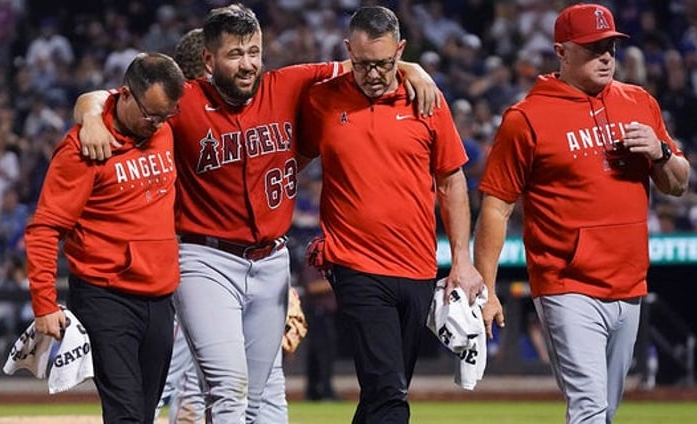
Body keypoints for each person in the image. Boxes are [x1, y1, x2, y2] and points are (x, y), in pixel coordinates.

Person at [74, 4, 440, 423]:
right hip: (205, 258)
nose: (248, 64)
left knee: (253, 397)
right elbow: (106, 98)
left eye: (253, 51)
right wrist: (90, 116)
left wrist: (414, 70)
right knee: (229, 390)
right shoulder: (185, 100)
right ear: (210, 60)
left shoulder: (286, 84)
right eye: (235, 54)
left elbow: (364, 63)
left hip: (271, 262)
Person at [473, 4, 690, 424]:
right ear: (561, 52)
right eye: (592, 48)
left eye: (609, 46)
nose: (606, 56)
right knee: (589, 409)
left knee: (604, 411)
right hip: (566, 283)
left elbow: (678, 184)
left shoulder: (639, 102)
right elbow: (497, 206)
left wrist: (661, 153)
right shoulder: (526, 118)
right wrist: (486, 288)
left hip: (629, 281)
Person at [297, 6, 483, 423]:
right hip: (355, 264)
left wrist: (463, 261)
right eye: (363, 64)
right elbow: (290, 160)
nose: (374, 74)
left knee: (385, 390)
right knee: (388, 390)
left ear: (400, 50)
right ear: (348, 52)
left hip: (417, 268)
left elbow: (452, 183)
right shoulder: (324, 99)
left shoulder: (427, 99)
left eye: (383, 63)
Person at [25, 52, 185, 423]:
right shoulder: (83, 149)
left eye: (166, 116)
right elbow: (45, 227)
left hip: (160, 296)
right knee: (126, 413)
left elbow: (97, 98)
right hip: (106, 295)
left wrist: (91, 110)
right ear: (127, 95)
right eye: (151, 115)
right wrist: (44, 303)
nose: (157, 124)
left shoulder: (160, 126)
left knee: (144, 413)